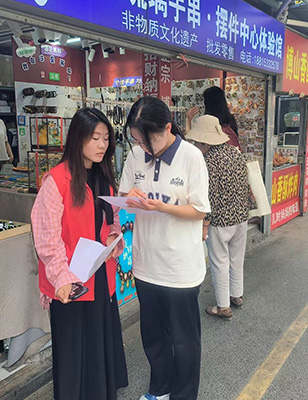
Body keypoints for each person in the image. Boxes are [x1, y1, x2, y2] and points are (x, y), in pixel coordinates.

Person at [30, 108, 128, 400]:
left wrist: (112, 236)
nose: (102, 145)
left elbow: (111, 220)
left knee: (98, 342)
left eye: (106, 138)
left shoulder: (104, 177)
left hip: (99, 274)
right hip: (71, 281)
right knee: (74, 349)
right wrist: (62, 277)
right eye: (95, 138)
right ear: (78, 138)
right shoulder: (56, 181)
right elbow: (47, 239)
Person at [120, 97, 210, 400]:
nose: (144, 147)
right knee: (153, 336)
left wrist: (163, 207)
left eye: (149, 141)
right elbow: (123, 194)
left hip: (180, 267)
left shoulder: (191, 157)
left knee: (184, 341)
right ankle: (159, 389)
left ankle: (183, 395)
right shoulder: (135, 154)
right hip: (146, 263)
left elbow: (199, 210)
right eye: (137, 140)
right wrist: (130, 197)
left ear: (168, 128)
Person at [185, 115, 256, 319]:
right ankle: (237, 295)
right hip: (240, 216)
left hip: (220, 221)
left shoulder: (207, 162)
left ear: (205, 142)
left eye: (197, 142)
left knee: (219, 262)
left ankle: (223, 306)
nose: (196, 146)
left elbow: (210, 197)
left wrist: (204, 225)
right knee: (236, 258)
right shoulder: (235, 153)